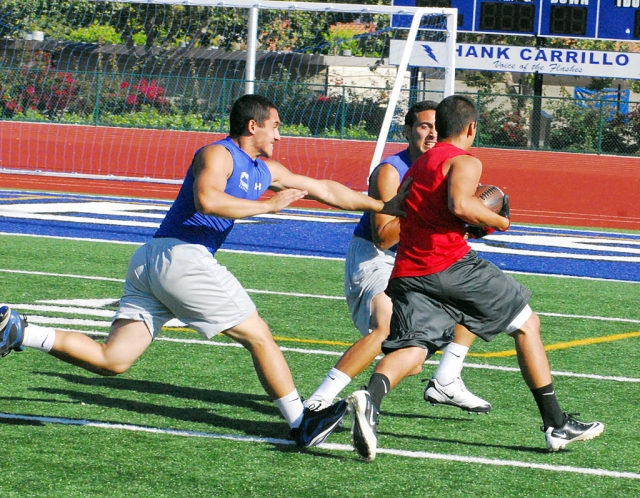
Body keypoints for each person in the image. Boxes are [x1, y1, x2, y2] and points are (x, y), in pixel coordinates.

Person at [0, 93, 411, 448]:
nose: (280, 136)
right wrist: (268, 206)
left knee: (114, 359)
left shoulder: (265, 169)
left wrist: (383, 207)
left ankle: (21, 331)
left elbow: (325, 189)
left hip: (154, 262)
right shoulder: (218, 153)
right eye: (276, 127)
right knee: (259, 335)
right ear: (253, 126)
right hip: (182, 257)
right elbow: (206, 201)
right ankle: (302, 423)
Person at [346, 95, 604, 462]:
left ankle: (370, 398)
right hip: (450, 265)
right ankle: (556, 424)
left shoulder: (416, 166)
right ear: (471, 128)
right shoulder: (464, 159)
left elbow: (403, 209)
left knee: (414, 348)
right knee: (528, 323)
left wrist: (465, 221)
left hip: (407, 270)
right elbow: (459, 205)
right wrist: (498, 221)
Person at [303, 100, 491, 416]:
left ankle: (446, 379)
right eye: (423, 126)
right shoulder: (392, 171)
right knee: (388, 329)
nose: (431, 134)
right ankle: (320, 399)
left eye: (436, 127)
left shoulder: (454, 166)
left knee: (477, 292)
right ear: (407, 130)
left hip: (418, 258)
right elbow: (384, 235)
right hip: (378, 257)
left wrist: (474, 222)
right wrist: (428, 208)